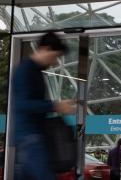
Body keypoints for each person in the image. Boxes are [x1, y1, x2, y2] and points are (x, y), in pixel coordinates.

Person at [13, 32, 76, 180]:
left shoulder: (34, 71)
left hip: (30, 138)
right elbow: (23, 104)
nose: (55, 62)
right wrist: (56, 106)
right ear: (45, 49)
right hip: (30, 138)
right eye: (55, 56)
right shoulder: (26, 70)